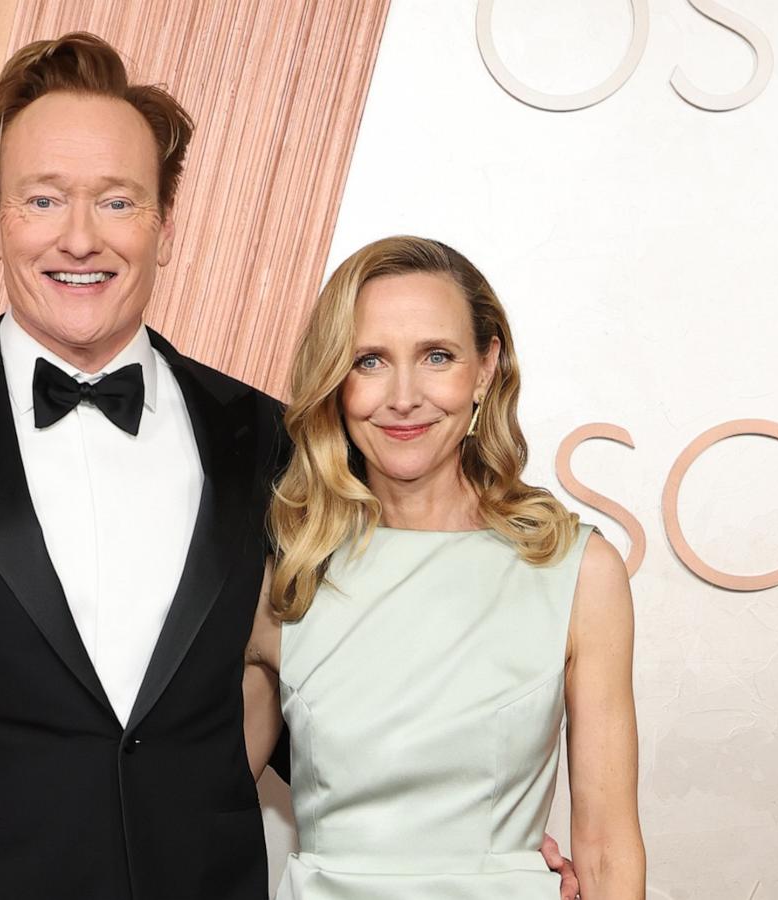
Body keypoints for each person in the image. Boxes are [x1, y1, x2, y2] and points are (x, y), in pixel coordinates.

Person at [0, 30, 581, 900]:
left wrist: (473, 843)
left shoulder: (269, 436)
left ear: (166, 221)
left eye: (118, 202)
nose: (81, 239)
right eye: (44, 200)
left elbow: (330, 679)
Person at [243, 236, 646, 898]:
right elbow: (192, 815)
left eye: (437, 357)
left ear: (486, 368)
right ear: (336, 380)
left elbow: (605, 849)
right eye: (370, 360)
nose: (404, 397)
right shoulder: (285, 578)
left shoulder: (577, 571)